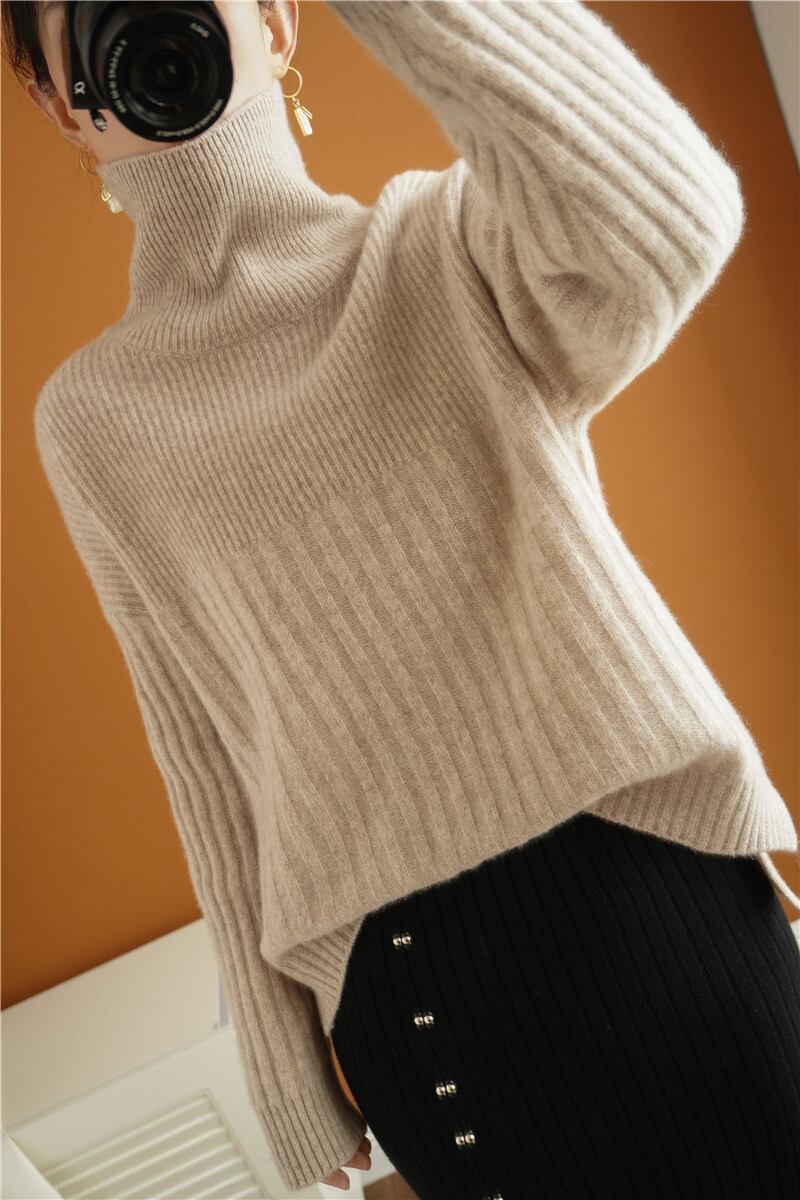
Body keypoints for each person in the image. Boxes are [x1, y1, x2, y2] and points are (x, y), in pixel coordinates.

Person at [6, 1, 799, 1196]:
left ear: (275, 18)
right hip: (412, 986)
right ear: (54, 96)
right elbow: (201, 747)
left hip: (646, 888)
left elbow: (672, 217)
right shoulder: (93, 418)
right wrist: (282, 1071)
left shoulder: (443, 247)